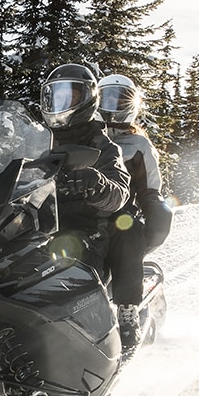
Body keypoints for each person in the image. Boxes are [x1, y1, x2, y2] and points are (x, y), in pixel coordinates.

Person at [97, 74, 173, 349]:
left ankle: (127, 310)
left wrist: (155, 214)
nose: (112, 105)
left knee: (126, 234)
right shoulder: (87, 135)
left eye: (119, 99)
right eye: (106, 98)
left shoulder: (139, 145)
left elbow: (150, 188)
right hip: (83, 212)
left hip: (121, 214)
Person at [38, 63, 130, 272]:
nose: (60, 104)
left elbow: (119, 193)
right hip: (36, 226)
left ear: (88, 98)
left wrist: (97, 184)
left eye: (69, 97)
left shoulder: (103, 146)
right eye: (55, 97)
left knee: (69, 259)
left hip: (83, 227)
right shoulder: (38, 139)